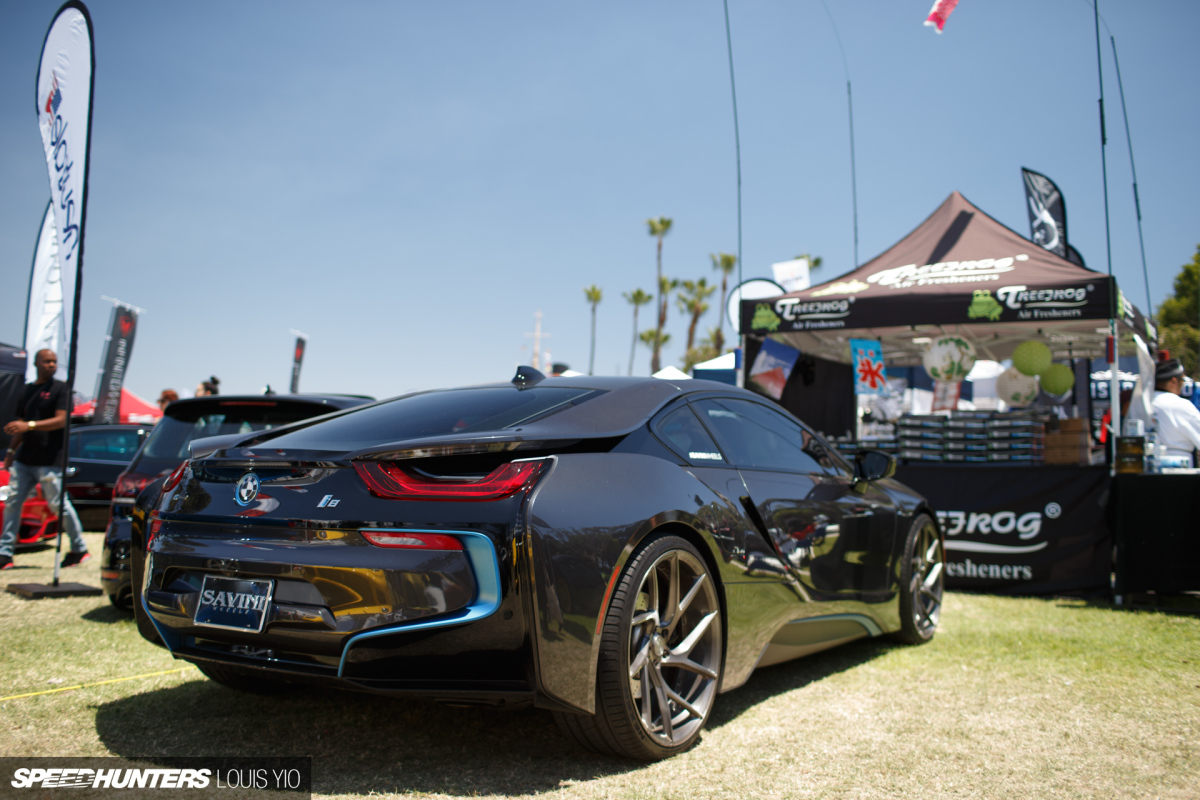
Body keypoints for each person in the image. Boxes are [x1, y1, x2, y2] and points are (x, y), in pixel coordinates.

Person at [0, 349, 89, 570]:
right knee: (12, 502)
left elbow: (60, 421)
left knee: (58, 505)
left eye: (54, 362)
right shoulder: (27, 390)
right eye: (47, 361)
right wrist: (11, 452)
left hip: (50, 459)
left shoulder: (61, 389)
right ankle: (4, 553)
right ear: (37, 363)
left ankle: (79, 549)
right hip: (24, 459)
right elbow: (21, 423)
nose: (51, 365)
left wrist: (29, 425)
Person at [1151, 358, 1200, 466]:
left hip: (1145, 470)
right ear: (1174, 381)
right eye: (1182, 380)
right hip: (1179, 472)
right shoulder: (1180, 405)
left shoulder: (1141, 403)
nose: (1182, 384)